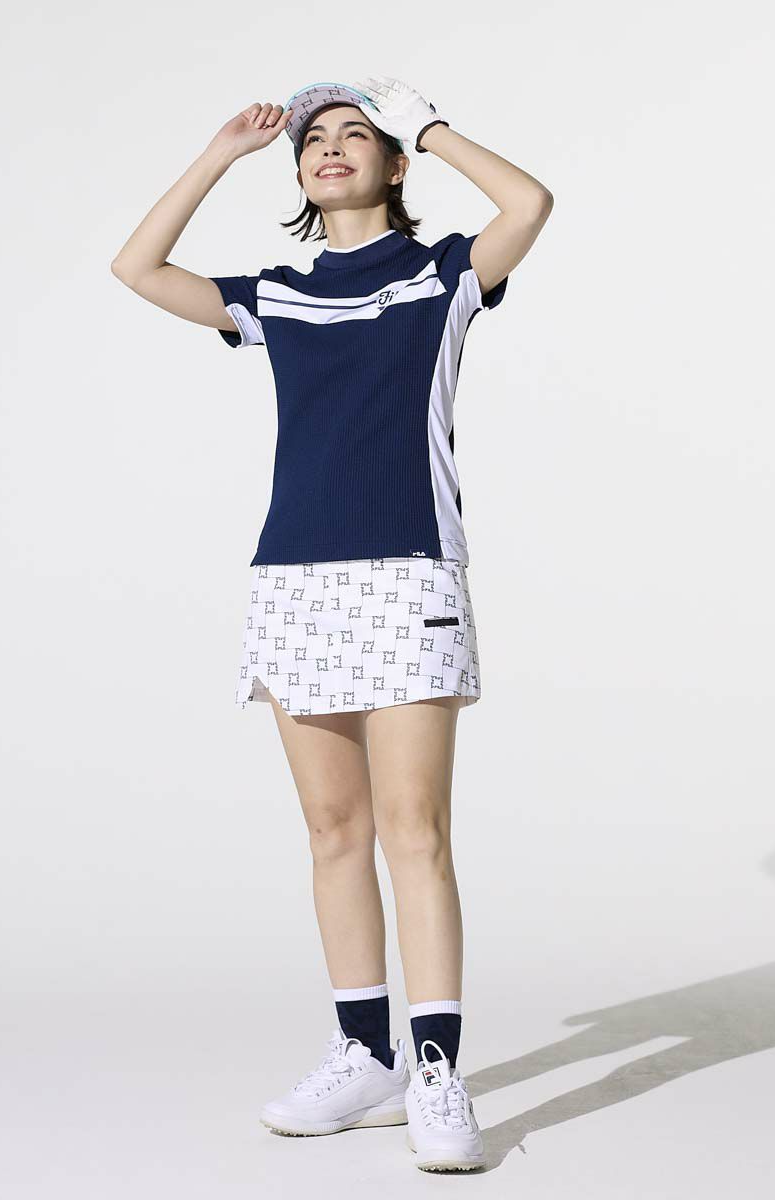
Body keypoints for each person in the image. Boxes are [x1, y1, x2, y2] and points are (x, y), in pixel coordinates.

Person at [111, 75, 553, 1173]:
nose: (331, 147)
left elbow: (530, 205)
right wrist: (220, 151)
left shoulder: (443, 274)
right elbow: (138, 268)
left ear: (393, 163)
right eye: (315, 138)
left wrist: (431, 127)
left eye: (357, 134)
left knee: (415, 831)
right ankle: (366, 1057)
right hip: (295, 583)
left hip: (407, 571)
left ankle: (436, 1070)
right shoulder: (279, 294)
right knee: (332, 831)